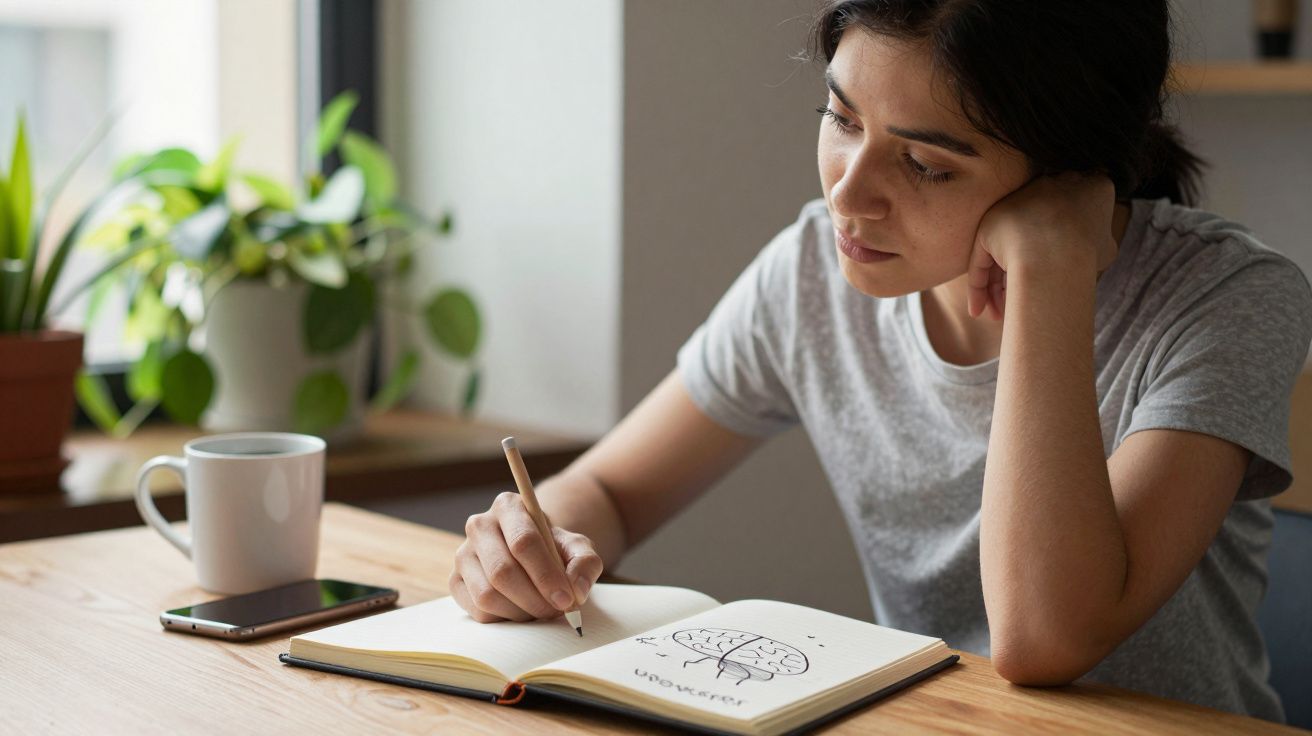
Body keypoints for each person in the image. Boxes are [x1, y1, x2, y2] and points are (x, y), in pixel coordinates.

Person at [448, 0, 1311, 721]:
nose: (847, 194)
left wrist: (1049, 271)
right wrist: (531, 544)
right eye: (840, 117)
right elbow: (611, 492)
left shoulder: (1230, 300)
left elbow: (1045, 638)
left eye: (926, 165)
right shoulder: (810, 276)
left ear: (1068, 174)